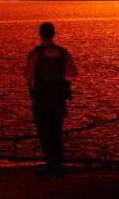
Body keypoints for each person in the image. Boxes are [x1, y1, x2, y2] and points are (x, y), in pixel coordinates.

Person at [23, 22, 78, 175]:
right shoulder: (62, 52)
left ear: (40, 34)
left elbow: (28, 75)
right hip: (58, 97)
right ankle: (57, 163)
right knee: (57, 129)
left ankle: (50, 163)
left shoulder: (36, 53)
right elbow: (72, 73)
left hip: (41, 97)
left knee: (44, 129)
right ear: (54, 33)